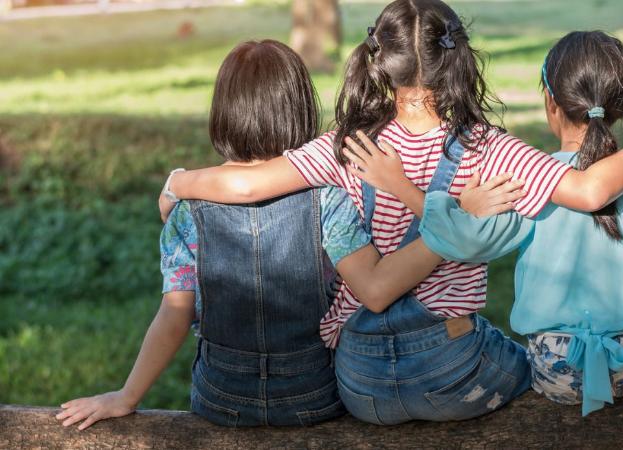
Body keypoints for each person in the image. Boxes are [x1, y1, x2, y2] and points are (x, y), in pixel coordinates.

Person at [156, 1, 623, 424]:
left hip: (360, 381)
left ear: (380, 61)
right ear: (458, 59)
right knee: (520, 359)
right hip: (451, 372)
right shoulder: (491, 148)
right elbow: (588, 193)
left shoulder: (345, 145)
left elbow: (245, 184)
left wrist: (178, 182)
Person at [54, 39, 445, 430]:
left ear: (223, 113)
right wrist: (452, 234)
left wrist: (126, 396)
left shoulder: (187, 210)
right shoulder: (328, 198)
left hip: (222, 395)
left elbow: (175, 315)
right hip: (312, 393)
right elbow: (372, 290)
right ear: (299, 109)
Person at [352, 30, 623, 416]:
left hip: (559, 368)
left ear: (550, 102)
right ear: (620, 105)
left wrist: (407, 189)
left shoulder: (534, 179)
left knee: (503, 352)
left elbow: (464, 241)